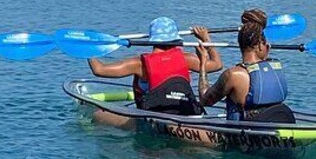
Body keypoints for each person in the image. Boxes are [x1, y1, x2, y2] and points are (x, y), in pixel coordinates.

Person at [88, 17, 222, 115]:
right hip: (186, 113)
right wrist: (206, 40)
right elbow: (217, 65)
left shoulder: (139, 63)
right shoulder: (187, 59)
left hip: (153, 115)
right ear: (176, 40)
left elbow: (99, 69)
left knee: (99, 115)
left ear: (152, 41)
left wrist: (87, 49)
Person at [195, 21, 294, 123]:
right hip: (281, 123)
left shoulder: (233, 75)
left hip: (244, 134)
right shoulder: (276, 69)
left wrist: (203, 62)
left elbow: (204, 100)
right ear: (261, 46)